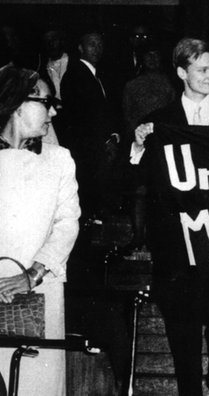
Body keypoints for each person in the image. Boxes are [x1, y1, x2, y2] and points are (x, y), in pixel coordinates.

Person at [132, 38, 209, 396]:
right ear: (182, 72)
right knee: (182, 323)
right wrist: (136, 148)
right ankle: (189, 389)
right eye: (203, 69)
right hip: (176, 242)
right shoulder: (158, 123)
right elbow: (130, 180)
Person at [0, 66, 80, 396]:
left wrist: (32, 274)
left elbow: (67, 224)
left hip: (40, 289)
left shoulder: (59, 159)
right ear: (17, 103)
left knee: (38, 384)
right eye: (45, 101)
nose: (52, 110)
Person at [60, 31, 120, 220]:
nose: (97, 49)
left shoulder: (96, 75)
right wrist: (104, 141)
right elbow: (81, 118)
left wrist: (113, 135)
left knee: (96, 200)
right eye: (91, 44)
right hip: (87, 150)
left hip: (97, 149)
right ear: (80, 48)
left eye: (100, 44)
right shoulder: (75, 75)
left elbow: (107, 110)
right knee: (87, 201)